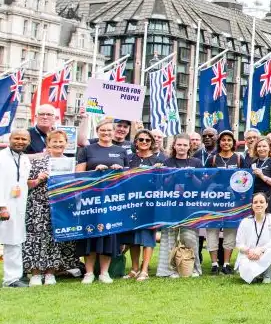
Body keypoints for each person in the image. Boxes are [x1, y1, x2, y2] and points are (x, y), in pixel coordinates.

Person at [24, 130, 83, 285]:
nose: (57, 144)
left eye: (61, 141)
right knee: (36, 238)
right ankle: (36, 273)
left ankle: (51, 272)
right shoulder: (36, 162)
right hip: (38, 205)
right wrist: (38, 179)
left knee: (56, 238)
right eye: (54, 141)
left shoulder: (71, 164)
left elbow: (77, 186)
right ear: (48, 143)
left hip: (60, 206)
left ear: (66, 144)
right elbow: (24, 184)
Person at [75, 120, 127, 283]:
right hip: (91, 198)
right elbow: (78, 175)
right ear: (97, 131)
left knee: (109, 234)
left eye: (109, 130)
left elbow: (127, 177)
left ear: (114, 132)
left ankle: (104, 272)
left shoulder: (121, 151)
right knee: (90, 233)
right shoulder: (87, 149)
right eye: (103, 130)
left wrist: (121, 171)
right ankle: (89, 273)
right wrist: (94, 171)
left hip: (113, 199)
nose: (106, 133)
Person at [125, 128, 165, 281]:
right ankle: (134, 269)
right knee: (133, 236)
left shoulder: (158, 160)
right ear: (135, 142)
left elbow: (162, 184)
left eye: (147, 140)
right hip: (131, 203)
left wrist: (159, 172)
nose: (144, 142)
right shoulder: (129, 159)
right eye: (141, 140)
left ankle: (144, 270)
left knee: (148, 236)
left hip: (150, 204)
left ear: (152, 143)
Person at [159, 134, 201, 278]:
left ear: (189, 146)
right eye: (179, 144)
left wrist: (192, 176)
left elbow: (201, 186)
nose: (182, 147)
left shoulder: (196, 162)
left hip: (190, 206)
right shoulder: (167, 162)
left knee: (190, 237)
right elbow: (164, 186)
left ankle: (194, 268)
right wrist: (173, 175)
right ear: (174, 145)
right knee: (169, 237)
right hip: (171, 205)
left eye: (185, 145)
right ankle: (169, 270)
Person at [0, 129, 32, 286]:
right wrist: (2, 206)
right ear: (10, 139)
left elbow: (22, 183)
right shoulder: (1, 157)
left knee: (14, 241)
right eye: (17, 138)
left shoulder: (24, 158)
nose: (20, 141)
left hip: (17, 206)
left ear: (28, 142)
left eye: (24, 139)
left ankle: (12, 279)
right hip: (4, 206)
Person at [234, 192, 271, 284]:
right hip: (249, 254)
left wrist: (260, 250)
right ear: (252, 205)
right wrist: (249, 251)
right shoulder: (245, 222)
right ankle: (254, 275)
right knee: (249, 274)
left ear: (266, 204)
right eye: (255, 202)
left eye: (261, 202)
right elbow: (239, 243)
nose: (258, 205)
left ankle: (267, 275)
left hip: (266, 252)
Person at [249, 137, 271, 215]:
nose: (261, 148)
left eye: (264, 146)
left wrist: (262, 176)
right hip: (255, 201)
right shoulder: (253, 162)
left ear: (269, 148)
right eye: (259, 146)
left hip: (270, 201)